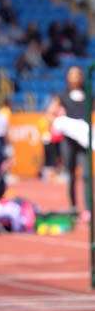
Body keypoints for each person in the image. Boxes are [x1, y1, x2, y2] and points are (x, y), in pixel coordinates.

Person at [57, 66, 91, 215]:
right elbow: (51, 113)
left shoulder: (89, 93)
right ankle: (73, 207)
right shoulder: (62, 95)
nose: (75, 77)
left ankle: (88, 208)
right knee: (70, 174)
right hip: (68, 140)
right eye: (72, 74)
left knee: (87, 174)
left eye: (78, 74)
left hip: (84, 139)